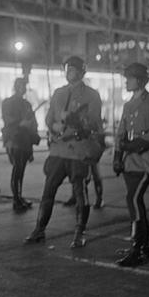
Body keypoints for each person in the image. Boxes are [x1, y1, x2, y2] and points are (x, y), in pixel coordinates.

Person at [24, 56, 103, 248]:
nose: (69, 71)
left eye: (73, 69)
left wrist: (76, 120)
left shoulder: (91, 95)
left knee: (80, 192)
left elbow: (94, 122)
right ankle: (39, 229)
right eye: (67, 68)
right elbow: (49, 117)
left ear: (82, 71)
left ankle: (79, 232)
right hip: (59, 149)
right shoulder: (59, 93)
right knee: (48, 190)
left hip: (78, 149)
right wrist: (54, 126)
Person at [111, 63, 149, 267]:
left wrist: (138, 143)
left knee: (133, 199)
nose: (126, 81)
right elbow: (120, 133)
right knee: (136, 202)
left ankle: (136, 249)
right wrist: (117, 156)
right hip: (130, 162)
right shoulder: (127, 105)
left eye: (129, 78)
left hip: (147, 159)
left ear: (140, 80)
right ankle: (144, 246)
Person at [1, 78, 39, 213]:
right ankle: (16, 199)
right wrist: (20, 122)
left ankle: (19, 196)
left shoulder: (27, 104)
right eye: (21, 86)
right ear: (16, 87)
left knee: (21, 169)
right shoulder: (8, 102)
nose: (23, 89)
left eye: (24, 86)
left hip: (25, 139)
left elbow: (32, 122)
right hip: (14, 138)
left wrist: (31, 128)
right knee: (17, 169)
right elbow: (7, 119)